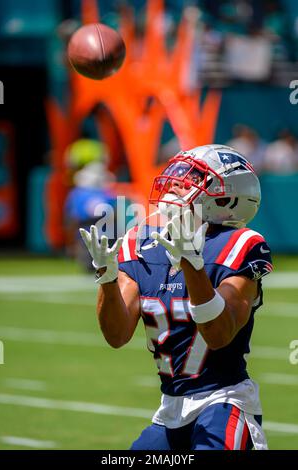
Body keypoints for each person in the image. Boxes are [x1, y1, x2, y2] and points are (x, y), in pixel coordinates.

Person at [79, 144, 273, 450]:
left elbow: (219, 334)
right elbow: (116, 335)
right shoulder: (140, 243)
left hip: (224, 400)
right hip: (170, 408)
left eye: (194, 177)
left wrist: (194, 267)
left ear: (227, 196)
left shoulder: (241, 244)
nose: (177, 184)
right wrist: (107, 278)